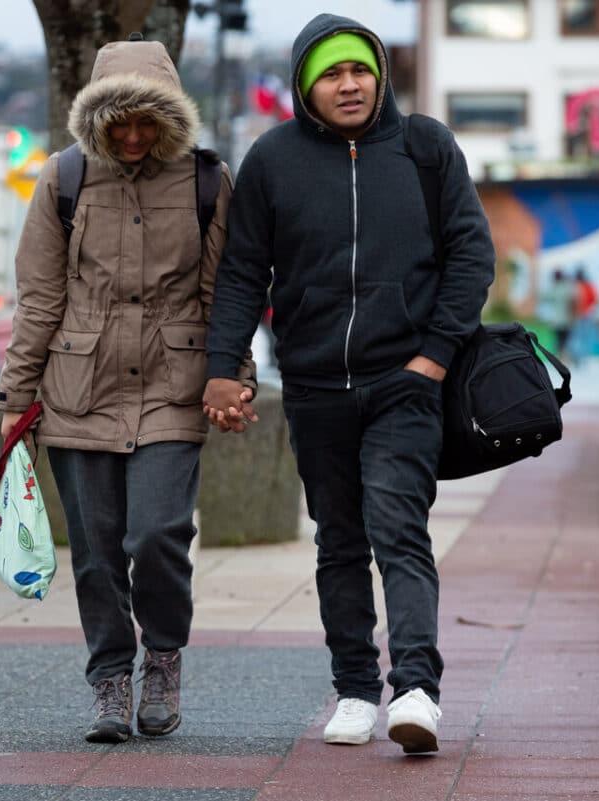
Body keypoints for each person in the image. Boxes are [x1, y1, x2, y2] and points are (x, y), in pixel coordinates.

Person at [202, 14, 494, 754]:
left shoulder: (426, 147)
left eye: (359, 70)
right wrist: (222, 370)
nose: (349, 84)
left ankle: (418, 689)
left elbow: (470, 255)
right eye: (331, 74)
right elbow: (242, 273)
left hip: (405, 382)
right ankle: (357, 689)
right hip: (313, 384)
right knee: (339, 539)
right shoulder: (273, 160)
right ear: (306, 85)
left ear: (379, 74)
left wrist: (432, 357)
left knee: (399, 528)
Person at [0, 35, 252, 744]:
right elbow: (39, 297)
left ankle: (162, 657)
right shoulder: (63, 179)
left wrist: (236, 379)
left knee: (159, 533)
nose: (134, 135)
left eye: (149, 121)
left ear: (170, 118)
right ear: (96, 120)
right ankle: (111, 679)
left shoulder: (206, 180)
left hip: (174, 385)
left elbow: (226, 292)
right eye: (120, 122)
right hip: (79, 388)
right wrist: (15, 398)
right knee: (98, 550)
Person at [537, 269, 576, 357]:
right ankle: (564, 358)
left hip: (556, 320)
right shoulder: (568, 288)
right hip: (566, 320)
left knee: (558, 341)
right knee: (565, 341)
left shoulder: (554, 288)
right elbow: (573, 303)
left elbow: (544, 298)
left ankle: (560, 357)